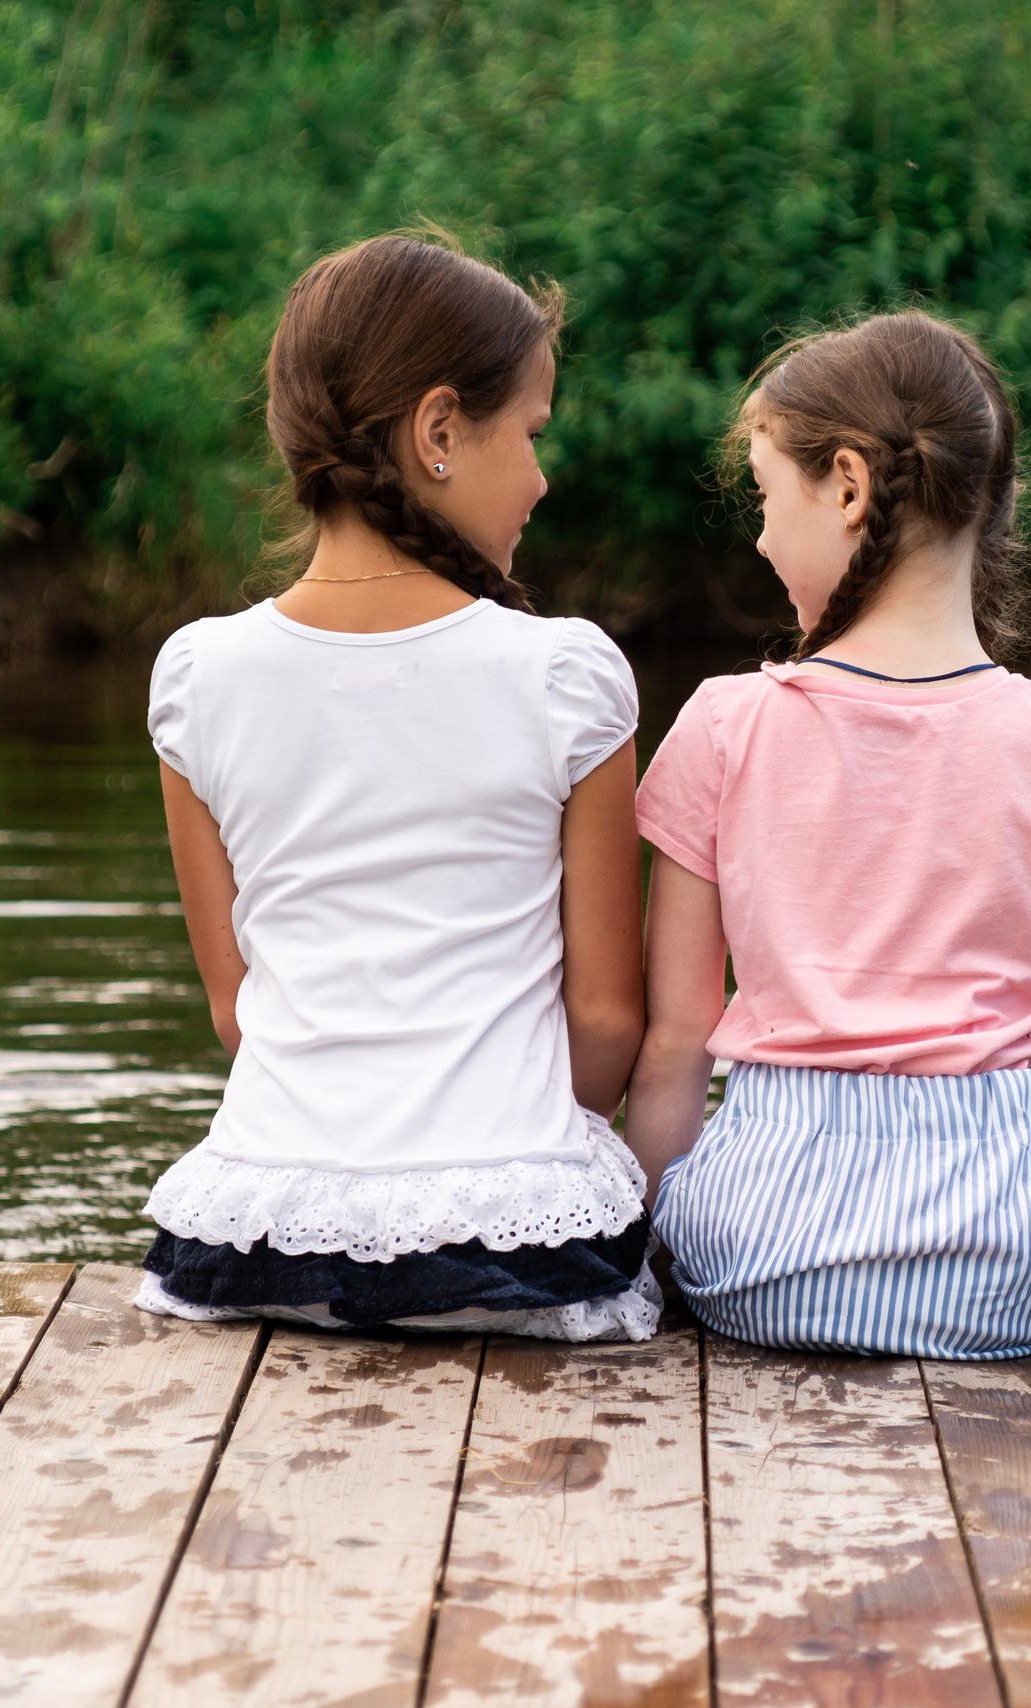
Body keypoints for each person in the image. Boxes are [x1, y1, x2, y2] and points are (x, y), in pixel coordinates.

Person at [623, 310, 1031, 1359]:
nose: (759, 537)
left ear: (847, 486)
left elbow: (673, 1044)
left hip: (759, 1255)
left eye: (766, 497)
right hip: (1007, 1261)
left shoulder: (721, 728)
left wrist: (656, 1279)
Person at [132, 233, 656, 1339]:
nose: (543, 476)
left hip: (254, 1241)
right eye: (530, 433)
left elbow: (239, 1007)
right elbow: (607, 1016)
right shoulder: (565, 673)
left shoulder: (196, 678)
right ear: (437, 433)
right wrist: (516, 1165)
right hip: (515, 1255)